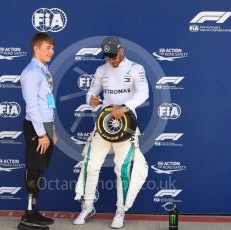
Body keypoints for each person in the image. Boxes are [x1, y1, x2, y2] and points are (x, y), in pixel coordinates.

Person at [74, 37, 149, 229]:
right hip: (104, 124)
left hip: (126, 126)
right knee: (90, 165)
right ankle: (88, 207)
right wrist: (90, 99)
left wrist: (125, 107)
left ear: (121, 51)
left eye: (113, 56)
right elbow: (91, 92)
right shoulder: (102, 70)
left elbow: (143, 93)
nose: (111, 61)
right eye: (107, 57)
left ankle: (120, 211)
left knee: (122, 171)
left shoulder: (135, 68)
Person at [18, 32, 58, 230]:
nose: (51, 51)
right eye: (47, 48)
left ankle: (33, 211)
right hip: (37, 127)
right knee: (33, 168)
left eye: (52, 48)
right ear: (36, 48)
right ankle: (26, 217)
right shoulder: (31, 73)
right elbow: (32, 107)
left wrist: (53, 130)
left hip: (46, 125)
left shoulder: (44, 70)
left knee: (40, 168)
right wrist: (42, 134)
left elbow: (48, 101)